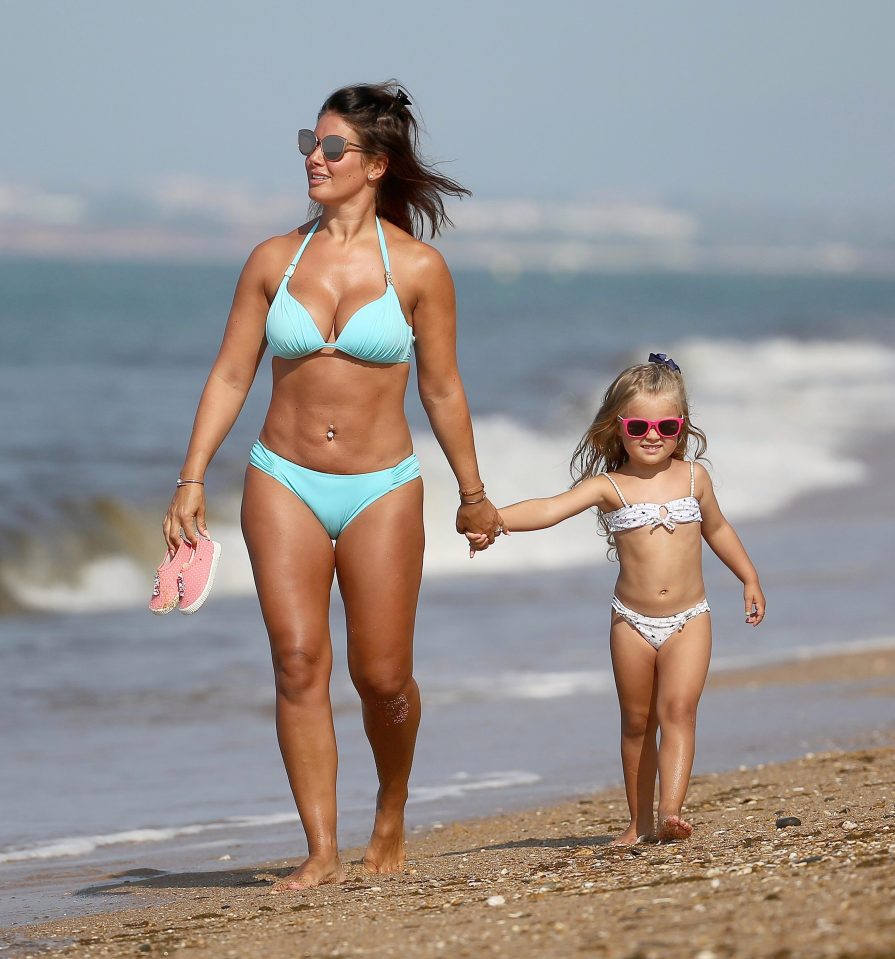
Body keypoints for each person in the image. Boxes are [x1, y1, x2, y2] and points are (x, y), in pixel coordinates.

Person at [163, 81, 502, 889]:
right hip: (281, 479)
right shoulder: (272, 260)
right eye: (309, 145)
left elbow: (443, 388)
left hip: (382, 486)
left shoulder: (418, 267)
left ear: (375, 164)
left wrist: (472, 490)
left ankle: (390, 804)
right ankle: (320, 848)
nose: (314, 159)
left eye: (333, 148)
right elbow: (231, 373)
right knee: (296, 660)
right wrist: (190, 474)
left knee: (381, 677)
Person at [470, 354, 765, 843]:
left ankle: (670, 812)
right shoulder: (610, 486)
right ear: (617, 428)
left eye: (667, 426)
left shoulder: (695, 479)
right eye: (639, 425)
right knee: (636, 721)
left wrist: (748, 577)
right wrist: (494, 520)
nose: (653, 435)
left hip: (690, 618)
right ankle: (638, 821)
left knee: (679, 711)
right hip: (631, 622)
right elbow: (549, 509)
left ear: (682, 428)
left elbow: (718, 529)